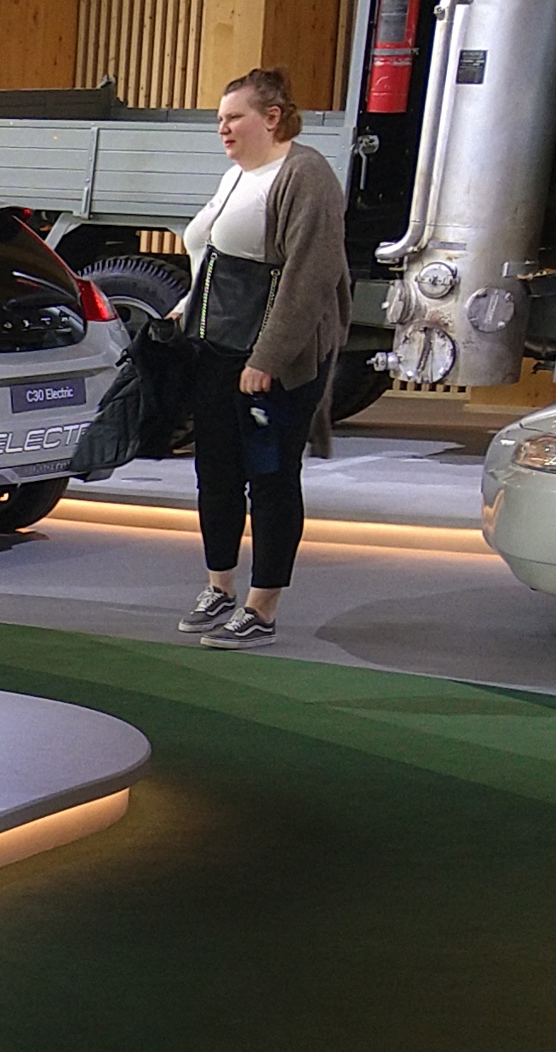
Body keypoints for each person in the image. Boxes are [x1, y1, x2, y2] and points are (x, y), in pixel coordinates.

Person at [173, 67, 349, 649]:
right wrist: (186, 306)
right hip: (217, 345)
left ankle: (262, 608)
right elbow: (210, 252)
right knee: (216, 473)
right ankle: (219, 587)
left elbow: (310, 278)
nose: (222, 129)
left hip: (273, 357)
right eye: (219, 120)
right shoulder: (237, 175)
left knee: (270, 478)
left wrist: (267, 358)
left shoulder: (306, 175)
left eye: (234, 118)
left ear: (272, 117)